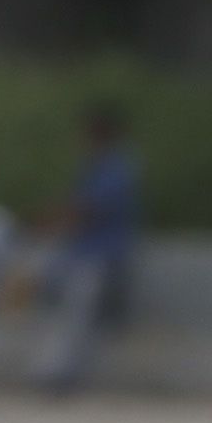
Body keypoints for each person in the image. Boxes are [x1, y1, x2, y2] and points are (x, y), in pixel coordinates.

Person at [30, 99, 142, 396]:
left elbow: (86, 211)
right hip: (80, 258)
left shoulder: (117, 169)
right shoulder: (93, 168)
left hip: (103, 262)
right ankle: (51, 368)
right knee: (42, 289)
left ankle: (59, 375)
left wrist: (47, 221)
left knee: (79, 303)